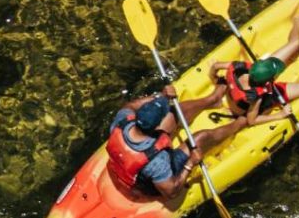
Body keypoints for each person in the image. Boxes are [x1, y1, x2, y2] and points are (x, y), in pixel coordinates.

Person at [106, 84, 247, 200]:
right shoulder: (157, 162)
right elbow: (171, 192)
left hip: (136, 155)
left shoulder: (122, 120)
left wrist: (162, 96)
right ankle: (239, 124)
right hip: (149, 184)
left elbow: (131, 105)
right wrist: (190, 163)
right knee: (200, 139)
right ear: (157, 126)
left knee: (175, 111)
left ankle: (213, 99)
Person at [207, 6, 299, 125]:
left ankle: (298, 21)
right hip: (251, 105)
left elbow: (215, 66)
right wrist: (280, 115)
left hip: (242, 90)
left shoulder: (236, 68)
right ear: (269, 82)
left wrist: (214, 79)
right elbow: (251, 120)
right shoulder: (256, 97)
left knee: (294, 44)